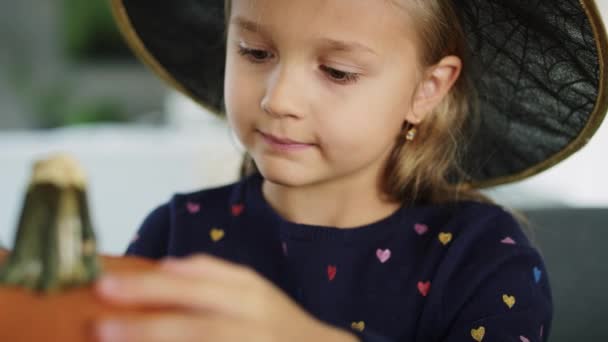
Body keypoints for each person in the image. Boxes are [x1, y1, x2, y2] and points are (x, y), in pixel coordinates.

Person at [95, 0, 608, 341]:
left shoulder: (481, 261)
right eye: (255, 52)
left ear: (426, 89)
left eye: (337, 71)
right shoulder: (173, 233)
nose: (279, 99)